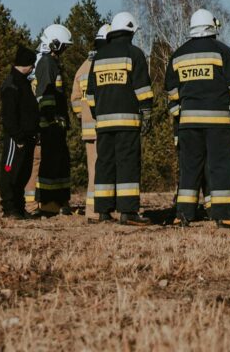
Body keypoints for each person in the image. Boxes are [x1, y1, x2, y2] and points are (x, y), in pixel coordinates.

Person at [165, 8, 230, 228]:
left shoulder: (178, 55)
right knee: (220, 167)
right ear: (211, 27)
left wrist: (181, 115)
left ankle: (183, 215)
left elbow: (172, 93)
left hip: (188, 124)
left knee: (189, 168)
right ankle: (224, 214)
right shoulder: (221, 51)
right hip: (217, 123)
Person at [85, 12, 153, 225]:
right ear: (131, 30)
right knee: (127, 164)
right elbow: (142, 88)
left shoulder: (99, 57)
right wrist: (147, 112)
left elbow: (90, 94)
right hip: (127, 122)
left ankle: (104, 211)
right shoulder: (134, 53)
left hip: (104, 122)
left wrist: (99, 114)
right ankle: (128, 211)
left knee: (104, 163)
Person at [71, 23, 110, 221]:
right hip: (106, 126)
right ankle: (107, 209)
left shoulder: (82, 68)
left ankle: (92, 211)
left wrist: (84, 115)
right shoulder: (107, 64)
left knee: (94, 170)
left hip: (89, 130)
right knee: (109, 169)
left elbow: (75, 101)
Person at [33, 24, 73, 215]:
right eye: (63, 47)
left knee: (60, 162)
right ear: (54, 44)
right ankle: (49, 203)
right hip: (50, 125)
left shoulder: (51, 63)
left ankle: (59, 200)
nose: (64, 51)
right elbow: (45, 94)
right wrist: (51, 119)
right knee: (50, 164)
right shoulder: (47, 63)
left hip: (55, 124)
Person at [0, 44, 39, 219]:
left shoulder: (23, 83)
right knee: (10, 173)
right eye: (32, 64)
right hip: (17, 139)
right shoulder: (12, 84)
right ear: (26, 64)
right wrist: (18, 137)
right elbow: (9, 116)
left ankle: (19, 207)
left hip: (28, 137)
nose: (33, 68)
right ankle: (9, 209)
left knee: (23, 174)